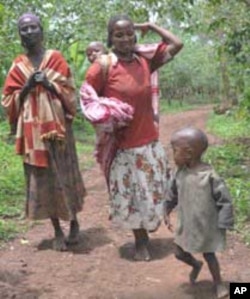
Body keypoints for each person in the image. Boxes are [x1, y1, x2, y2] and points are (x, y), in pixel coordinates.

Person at [84, 14, 183, 261]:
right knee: (133, 197)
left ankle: (152, 228)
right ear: (110, 38)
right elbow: (87, 98)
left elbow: (177, 44)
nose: (126, 38)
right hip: (122, 147)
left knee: (155, 191)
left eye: (129, 33)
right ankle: (141, 242)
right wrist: (108, 114)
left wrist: (151, 26)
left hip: (149, 141)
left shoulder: (144, 61)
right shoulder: (103, 66)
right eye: (119, 34)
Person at [1, 13, 86, 251]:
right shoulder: (18, 66)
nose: (29, 32)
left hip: (59, 131)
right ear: (20, 35)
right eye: (24, 29)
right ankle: (57, 229)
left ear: (41, 30)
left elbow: (70, 92)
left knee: (64, 174)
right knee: (44, 179)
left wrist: (50, 84)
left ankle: (74, 222)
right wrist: (27, 86)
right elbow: (7, 100)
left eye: (33, 27)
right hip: (33, 135)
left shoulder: (55, 59)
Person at [165, 127, 234, 298]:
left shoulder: (209, 176)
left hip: (205, 225)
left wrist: (224, 222)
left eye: (174, 151)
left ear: (188, 153)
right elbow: (172, 194)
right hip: (186, 224)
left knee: (209, 254)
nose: (172, 155)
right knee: (179, 253)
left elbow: (224, 200)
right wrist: (166, 209)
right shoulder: (179, 173)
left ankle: (218, 284)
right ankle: (195, 265)